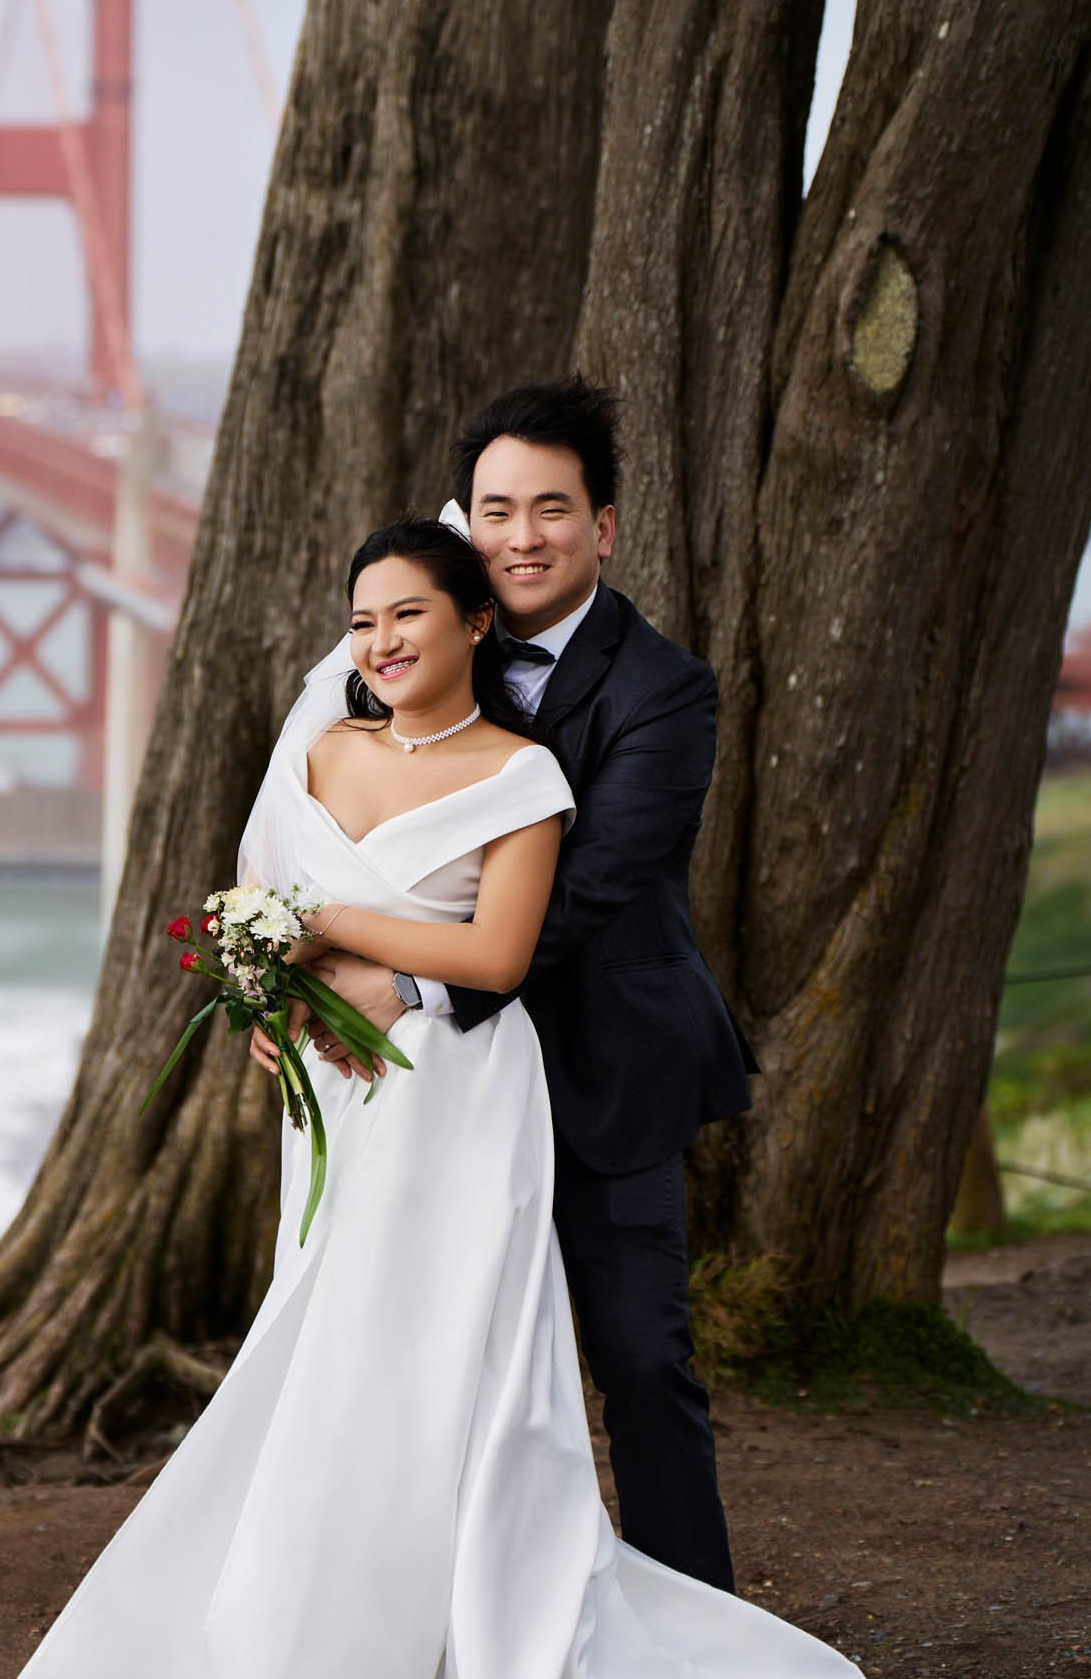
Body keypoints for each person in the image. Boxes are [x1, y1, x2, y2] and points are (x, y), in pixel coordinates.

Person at [0, 517, 867, 1679]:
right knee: (338, 1376)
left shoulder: (520, 776)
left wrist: (320, 924)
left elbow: (498, 958)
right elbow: (255, 912)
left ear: (473, 624)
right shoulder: (319, 750)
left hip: (461, 1109)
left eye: (408, 614)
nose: (381, 643)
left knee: (476, 1389)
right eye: (361, 622)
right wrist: (267, 986)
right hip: (337, 1114)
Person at [291, 378, 752, 1593]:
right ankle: (441, 1641)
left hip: (603, 1065)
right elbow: (346, 830)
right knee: (441, 1366)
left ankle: (694, 1623)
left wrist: (403, 981)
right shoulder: (419, 651)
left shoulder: (667, 690)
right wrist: (294, 991)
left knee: (640, 1359)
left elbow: (585, 893)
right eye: (498, 509)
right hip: (437, 1092)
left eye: (554, 509)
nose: (523, 536)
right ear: (468, 518)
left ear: (604, 526)